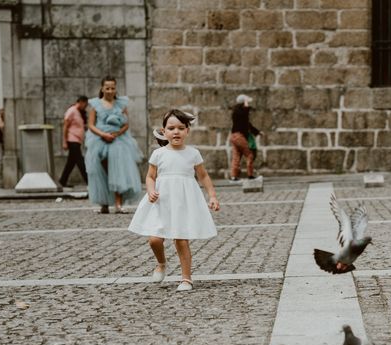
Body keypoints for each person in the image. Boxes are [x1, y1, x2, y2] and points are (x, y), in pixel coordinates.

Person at [128, 109, 219, 292]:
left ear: (187, 131)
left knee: (181, 240)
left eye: (180, 128)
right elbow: (150, 176)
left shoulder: (193, 153)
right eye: (171, 128)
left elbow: (203, 176)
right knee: (154, 240)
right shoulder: (159, 154)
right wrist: (151, 190)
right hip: (162, 201)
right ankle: (161, 263)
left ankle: (186, 278)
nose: (176, 132)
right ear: (163, 131)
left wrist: (212, 195)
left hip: (183, 201)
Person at [85, 76, 142, 213]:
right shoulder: (96, 104)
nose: (110, 90)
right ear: (102, 88)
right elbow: (91, 125)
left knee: (118, 170)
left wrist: (117, 133)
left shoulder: (121, 104)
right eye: (107, 88)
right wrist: (103, 135)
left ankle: (118, 203)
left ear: (115, 89)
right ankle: (104, 203)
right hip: (100, 140)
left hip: (118, 141)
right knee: (101, 171)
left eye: (112, 88)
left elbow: (126, 123)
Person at [229, 94, 262, 182]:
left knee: (236, 157)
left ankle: (234, 177)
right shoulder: (239, 112)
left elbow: (248, 125)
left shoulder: (237, 112)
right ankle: (250, 175)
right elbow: (245, 114)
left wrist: (257, 132)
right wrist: (246, 104)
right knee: (249, 154)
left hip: (234, 136)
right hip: (239, 136)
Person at [59, 95, 89, 187]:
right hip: (72, 140)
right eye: (85, 104)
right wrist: (64, 141)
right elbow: (65, 126)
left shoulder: (79, 112)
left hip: (77, 140)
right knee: (80, 162)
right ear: (81, 102)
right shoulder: (72, 111)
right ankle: (89, 181)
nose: (86, 106)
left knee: (71, 163)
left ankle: (62, 181)